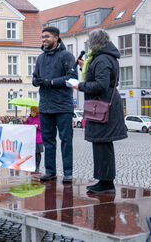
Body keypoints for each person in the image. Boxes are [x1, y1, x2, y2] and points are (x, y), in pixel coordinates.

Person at [72, 29, 127, 193]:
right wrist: (84, 67)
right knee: (101, 143)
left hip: (103, 107)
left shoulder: (102, 59)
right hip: (104, 106)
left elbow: (101, 85)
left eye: (89, 41)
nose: (88, 44)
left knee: (103, 143)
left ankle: (106, 183)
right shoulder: (103, 57)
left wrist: (79, 85)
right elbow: (101, 79)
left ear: (95, 42)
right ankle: (104, 180)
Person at [32, 26, 77, 183]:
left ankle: (68, 172)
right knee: (48, 141)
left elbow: (72, 79)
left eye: (47, 37)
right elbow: (35, 78)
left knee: (66, 140)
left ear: (56, 38)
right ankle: (50, 171)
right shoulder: (40, 58)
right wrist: (36, 81)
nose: (44, 39)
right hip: (45, 106)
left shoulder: (66, 56)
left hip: (63, 106)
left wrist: (50, 82)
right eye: (42, 37)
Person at [24, 106, 43, 172]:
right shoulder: (29, 118)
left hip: (38, 138)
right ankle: (33, 165)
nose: (32, 113)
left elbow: (42, 127)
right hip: (31, 138)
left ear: (36, 112)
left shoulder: (40, 118)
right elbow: (26, 127)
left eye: (33, 112)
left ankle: (37, 166)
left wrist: (38, 126)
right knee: (33, 153)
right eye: (31, 111)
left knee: (38, 153)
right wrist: (25, 122)